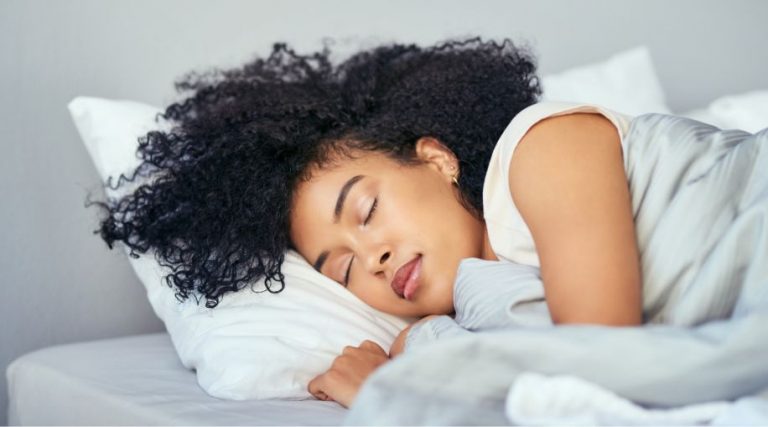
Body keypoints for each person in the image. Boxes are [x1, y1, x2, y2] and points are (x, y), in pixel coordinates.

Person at [89, 36, 643, 407]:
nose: (373, 259)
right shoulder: (457, 319)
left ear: (437, 159)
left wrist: (388, 395)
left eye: (367, 211)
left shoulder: (547, 148)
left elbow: (600, 378)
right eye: (344, 268)